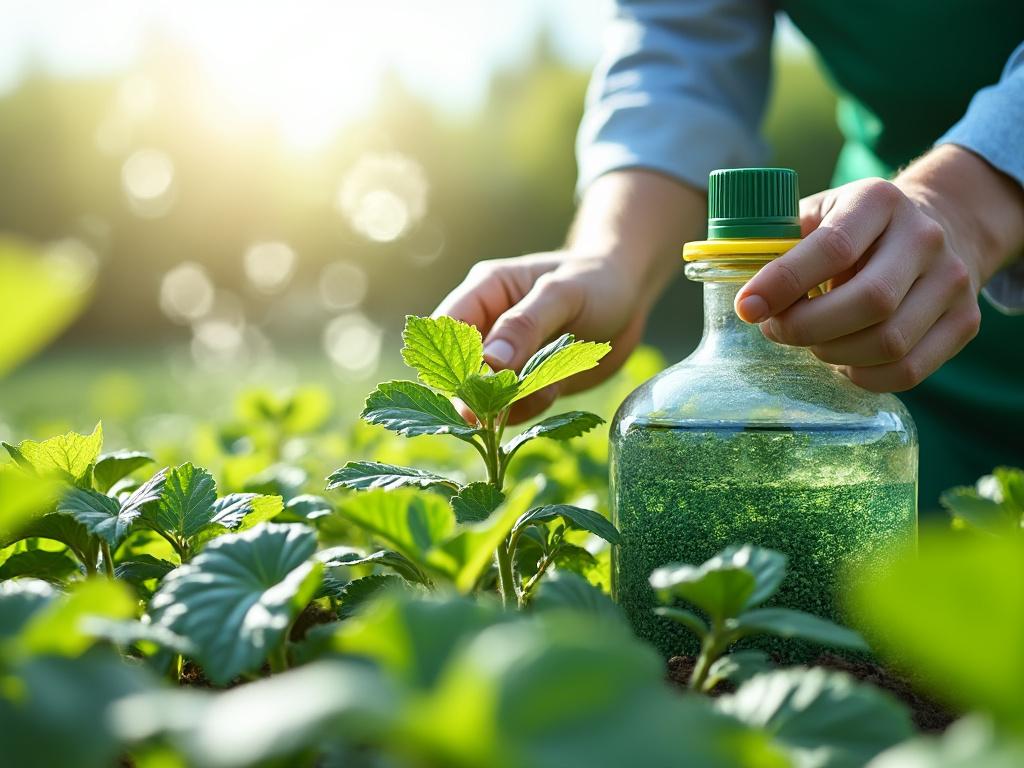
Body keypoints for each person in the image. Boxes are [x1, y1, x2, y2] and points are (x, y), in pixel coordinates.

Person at [434, 1, 1024, 510]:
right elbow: (681, 52)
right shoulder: (871, 423)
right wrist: (612, 258)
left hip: (904, 267)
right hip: (885, 334)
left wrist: (967, 207)